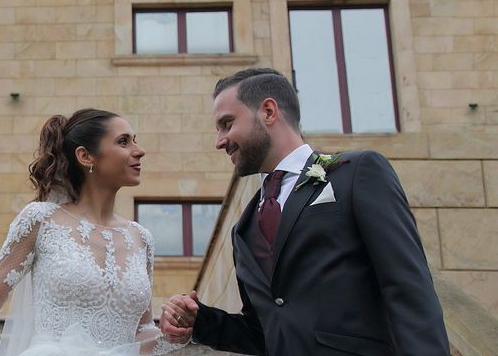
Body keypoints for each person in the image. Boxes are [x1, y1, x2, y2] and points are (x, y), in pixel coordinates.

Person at [160, 68, 449, 355]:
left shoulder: (357, 174)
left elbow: (408, 288)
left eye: (227, 123)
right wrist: (202, 322)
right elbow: (268, 330)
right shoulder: (243, 229)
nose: (219, 141)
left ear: (269, 112)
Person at [0, 108, 187, 356]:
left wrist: (171, 335)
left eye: (134, 140)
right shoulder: (41, 220)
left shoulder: (141, 238)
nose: (139, 150)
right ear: (85, 156)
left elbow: (141, 332)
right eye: (123, 141)